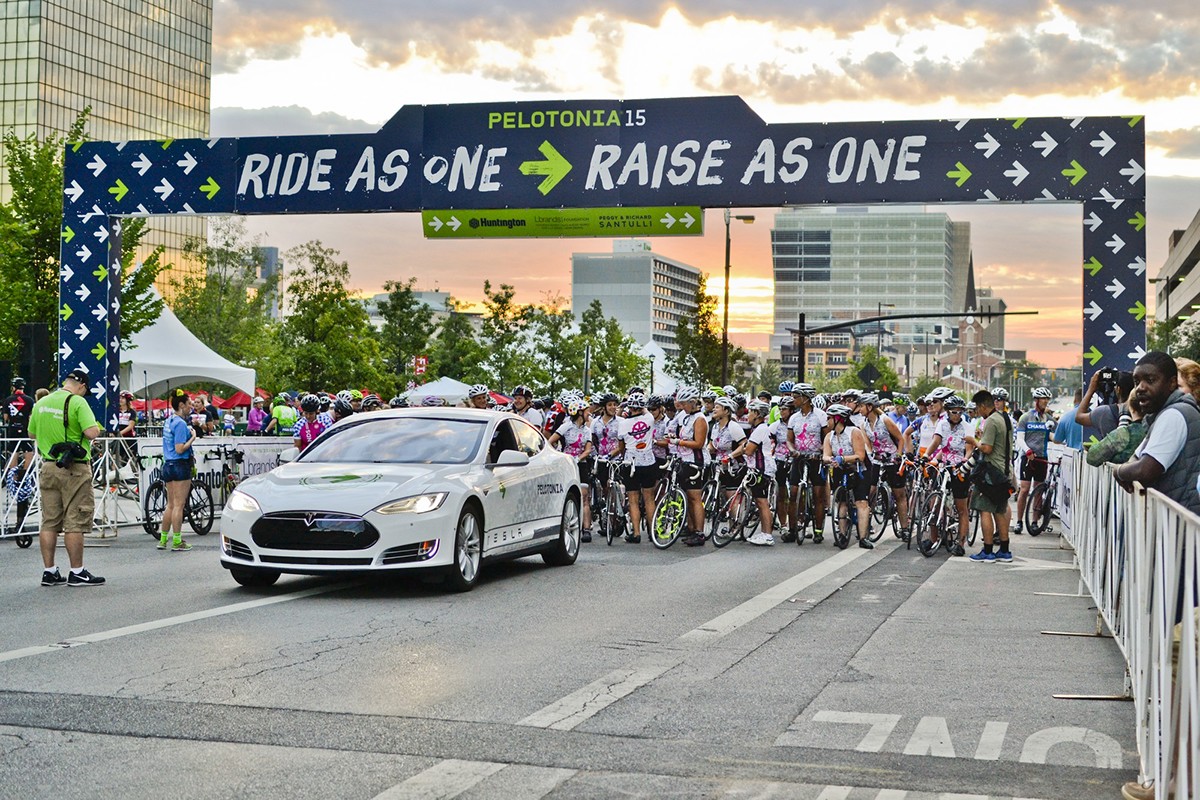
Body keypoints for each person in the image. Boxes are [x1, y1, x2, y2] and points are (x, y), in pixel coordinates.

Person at [26, 369, 104, 586]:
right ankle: (77, 572)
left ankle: (49, 571)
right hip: (74, 469)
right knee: (75, 521)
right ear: (81, 386)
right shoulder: (78, 403)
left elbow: (31, 434)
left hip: (48, 466)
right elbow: (91, 432)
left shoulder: (41, 403)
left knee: (49, 520)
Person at [1114, 351, 1200, 514]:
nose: (1140, 388)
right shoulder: (1167, 414)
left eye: (1150, 380)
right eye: (1136, 381)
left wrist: (1118, 471)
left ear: (1172, 383)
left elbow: (1146, 469)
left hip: (1179, 526)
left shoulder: (1174, 414)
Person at [968, 390, 1014, 563]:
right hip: (1003, 471)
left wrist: (974, 442)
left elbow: (987, 448)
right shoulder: (1004, 418)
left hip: (990, 473)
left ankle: (987, 551)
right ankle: (1004, 550)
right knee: (1000, 511)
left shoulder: (991, 421)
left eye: (977, 408)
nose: (977, 412)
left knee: (985, 510)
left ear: (982, 406)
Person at [822, 403, 873, 549]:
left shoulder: (854, 432)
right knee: (841, 502)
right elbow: (825, 455)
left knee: (861, 503)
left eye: (829, 418)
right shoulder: (829, 436)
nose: (827, 421)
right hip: (839, 469)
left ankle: (863, 537)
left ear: (838, 419)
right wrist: (830, 460)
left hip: (859, 470)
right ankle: (842, 535)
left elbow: (860, 456)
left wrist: (842, 458)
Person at [731, 399, 776, 546]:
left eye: (750, 412)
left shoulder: (761, 429)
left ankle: (767, 535)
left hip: (761, 469)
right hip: (760, 468)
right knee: (759, 500)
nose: (748, 415)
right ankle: (764, 533)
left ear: (757, 414)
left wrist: (744, 448)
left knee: (762, 501)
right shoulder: (759, 429)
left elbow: (749, 450)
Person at [613, 393, 657, 544]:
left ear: (630, 407)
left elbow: (621, 446)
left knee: (633, 499)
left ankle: (636, 533)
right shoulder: (649, 419)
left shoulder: (623, 424)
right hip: (648, 461)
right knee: (649, 498)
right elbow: (646, 411)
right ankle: (652, 531)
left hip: (630, 463)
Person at [549, 399, 593, 542]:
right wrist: (558, 453)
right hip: (566, 464)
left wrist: (578, 459)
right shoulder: (566, 426)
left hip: (581, 464)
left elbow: (588, 450)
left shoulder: (587, 430)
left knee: (585, 496)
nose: (589, 413)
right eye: (587, 411)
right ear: (580, 413)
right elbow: (550, 441)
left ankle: (586, 529)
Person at [669, 388, 709, 548]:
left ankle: (699, 532)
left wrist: (679, 442)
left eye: (685, 403)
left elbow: (699, 443)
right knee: (688, 496)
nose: (683, 406)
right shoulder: (686, 417)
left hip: (696, 461)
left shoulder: (699, 419)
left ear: (693, 403)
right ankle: (691, 528)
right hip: (684, 460)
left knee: (695, 497)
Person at [159, 388, 197, 552]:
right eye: (189, 404)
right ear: (181, 405)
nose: (191, 407)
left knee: (170, 505)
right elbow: (180, 448)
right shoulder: (181, 424)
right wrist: (193, 438)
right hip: (180, 464)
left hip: (168, 464)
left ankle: (162, 539)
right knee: (179, 506)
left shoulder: (168, 421)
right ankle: (177, 540)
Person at [1013, 387, 1055, 535]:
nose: (1046, 402)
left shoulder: (1049, 419)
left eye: (1047, 399)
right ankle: (1018, 521)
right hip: (1028, 457)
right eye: (1043, 399)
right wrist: (1027, 451)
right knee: (1024, 490)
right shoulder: (1025, 417)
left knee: (1038, 491)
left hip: (1042, 457)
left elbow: (1053, 437)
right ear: (1036, 400)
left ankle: (1035, 521)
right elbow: (1020, 438)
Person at [1076, 369, 1134, 438]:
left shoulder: (1104, 412)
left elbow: (1079, 417)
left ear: (1118, 389)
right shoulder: (1139, 411)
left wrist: (1091, 389)